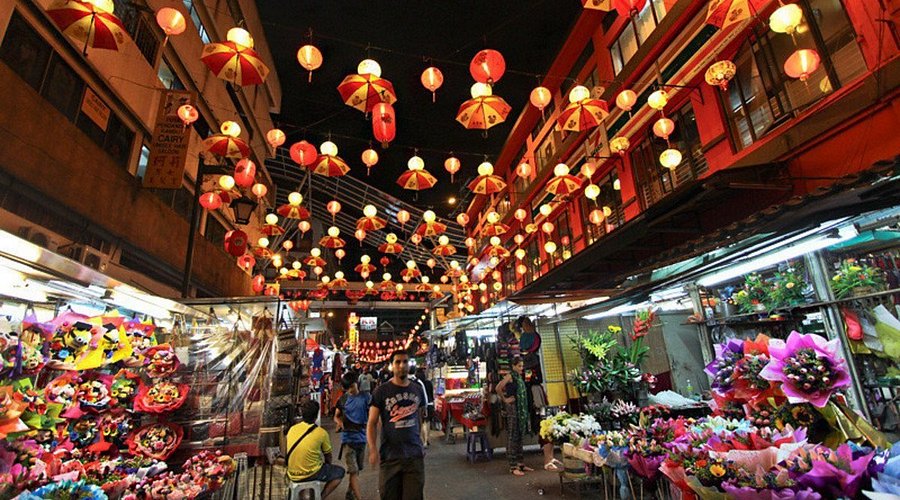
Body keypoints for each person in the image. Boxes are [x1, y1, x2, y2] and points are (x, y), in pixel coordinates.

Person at [367, 350, 425, 500]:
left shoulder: (417, 389)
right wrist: (373, 449)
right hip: (390, 457)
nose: (402, 365)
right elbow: (372, 423)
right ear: (392, 366)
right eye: (397, 362)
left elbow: (419, 417)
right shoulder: (381, 391)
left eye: (405, 362)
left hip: (414, 456)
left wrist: (421, 441)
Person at [285, 399, 345, 497]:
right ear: (316, 415)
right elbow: (328, 456)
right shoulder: (321, 433)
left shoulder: (292, 429)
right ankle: (320, 497)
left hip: (292, 473)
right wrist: (327, 466)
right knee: (340, 472)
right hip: (311, 473)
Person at [334, 373, 371, 500]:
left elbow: (372, 415)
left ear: (357, 383)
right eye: (348, 388)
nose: (351, 389)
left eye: (352, 386)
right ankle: (358, 497)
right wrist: (340, 424)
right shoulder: (343, 399)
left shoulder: (366, 397)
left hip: (361, 438)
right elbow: (336, 416)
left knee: (357, 470)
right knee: (354, 471)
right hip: (348, 440)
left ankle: (350, 493)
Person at [496, 356, 532, 476]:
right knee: (512, 436)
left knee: (519, 435)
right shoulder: (510, 376)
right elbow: (498, 388)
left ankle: (520, 463)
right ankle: (512, 466)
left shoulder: (518, 377)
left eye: (522, 366)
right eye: (519, 366)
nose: (521, 368)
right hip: (513, 409)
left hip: (520, 410)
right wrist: (505, 400)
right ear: (513, 366)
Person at [408, 365, 434, 448]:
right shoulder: (424, 383)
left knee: (422, 423)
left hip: (418, 406)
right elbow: (427, 395)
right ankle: (427, 439)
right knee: (426, 422)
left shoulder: (412, 382)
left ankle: (424, 440)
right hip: (427, 404)